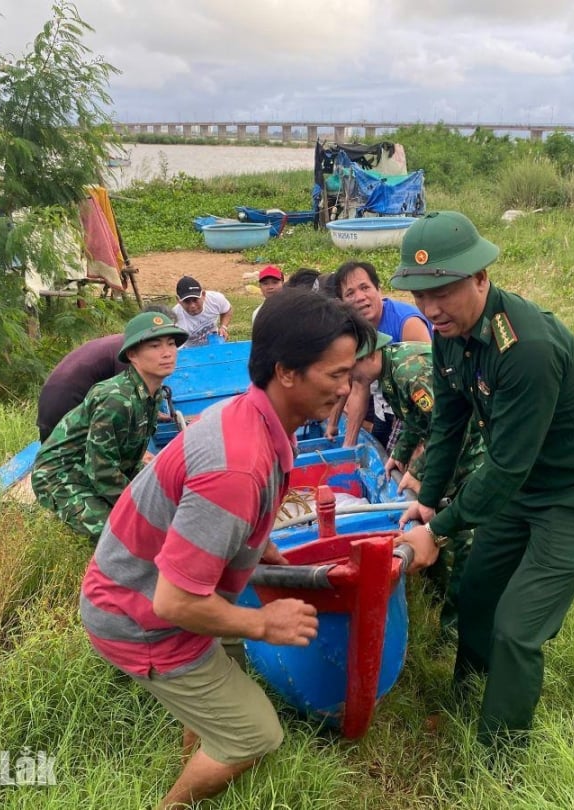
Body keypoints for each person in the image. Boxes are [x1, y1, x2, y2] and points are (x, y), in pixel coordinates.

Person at [79, 289, 375, 808]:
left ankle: (205, 741)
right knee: (256, 734)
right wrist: (264, 624)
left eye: (351, 373)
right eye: (335, 375)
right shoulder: (237, 466)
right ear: (286, 372)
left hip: (155, 589)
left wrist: (259, 549)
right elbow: (173, 602)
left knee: (227, 664)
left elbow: (221, 524)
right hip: (139, 615)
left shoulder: (254, 418)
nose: (346, 388)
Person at [391, 211, 574, 753]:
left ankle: (497, 758)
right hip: (522, 489)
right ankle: (467, 701)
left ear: (481, 277)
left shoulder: (526, 347)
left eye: (443, 291)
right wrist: (428, 502)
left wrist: (441, 531)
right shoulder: (449, 334)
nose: (430, 309)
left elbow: (504, 467)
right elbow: (448, 419)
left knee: (517, 629)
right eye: (418, 295)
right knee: (476, 594)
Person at [349, 332, 484, 633]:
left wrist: (421, 470)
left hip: (471, 453)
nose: (350, 377)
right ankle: (438, 593)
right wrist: (400, 454)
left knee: (462, 536)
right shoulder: (387, 374)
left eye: (351, 368)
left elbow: (450, 427)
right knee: (438, 522)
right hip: (449, 454)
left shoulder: (409, 370)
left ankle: (456, 626)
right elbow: (414, 418)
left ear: (369, 356)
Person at [31, 311, 188, 541]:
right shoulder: (116, 399)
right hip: (61, 475)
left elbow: (129, 456)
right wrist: (141, 512)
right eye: (155, 346)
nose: (167, 353)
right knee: (122, 536)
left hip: (101, 467)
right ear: (133, 355)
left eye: (172, 344)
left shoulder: (151, 394)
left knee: (169, 492)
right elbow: (101, 471)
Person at [35, 305, 176, 442]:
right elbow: (127, 405)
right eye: (157, 343)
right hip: (64, 409)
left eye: (171, 341)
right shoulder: (131, 353)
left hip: (54, 400)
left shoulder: (125, 343)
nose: (167, 350)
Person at [333, 260, 432, 448]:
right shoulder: (352, 329)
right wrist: (344, 442)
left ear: (379, 290)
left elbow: (432, 402)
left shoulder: (407, 324)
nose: (360, 297)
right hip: (389, 399)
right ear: (341, 303)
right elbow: (358, 385)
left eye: (365, 287)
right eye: (350, 293)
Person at [173, 275, 232, 346]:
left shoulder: (215, 299)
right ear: (178, 300)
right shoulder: (174, 319)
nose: (192, 305)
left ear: (203, 295)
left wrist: (223, 327)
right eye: (186, 301)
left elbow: (227, 310)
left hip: (213, 341)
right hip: (190, 350)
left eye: (195, 300)